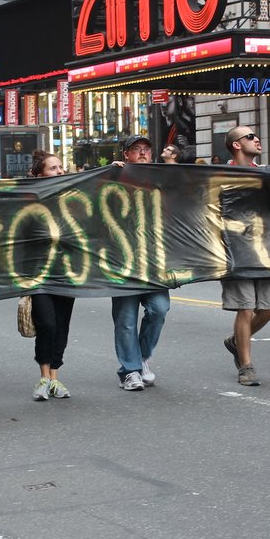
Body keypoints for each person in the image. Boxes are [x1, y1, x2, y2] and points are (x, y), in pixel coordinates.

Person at [220, 125, 270, 386]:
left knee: (269, 310)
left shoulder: (266, 173)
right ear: (236, 145)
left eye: (256, 135)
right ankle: (246, 366)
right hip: (237, 249)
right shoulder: (220, 175)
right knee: (245, 307)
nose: (257, 139)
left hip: (265, 250)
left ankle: (236, 341)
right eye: (250, 137)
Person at [110, 135, 169, 390]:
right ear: (126, 154)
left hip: (153, 261)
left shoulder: (161, 178)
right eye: (136, 149)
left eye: (146, 149)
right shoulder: (113, 176)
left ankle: (141, 358)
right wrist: (112, 175)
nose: (143, 153)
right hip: (121, 260)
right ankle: (130, 371)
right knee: (125, 318)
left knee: (159, 309)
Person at [27, 150, 75, 400]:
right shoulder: (27, 199)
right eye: (52, 168)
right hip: (39, 274)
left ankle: (55, 377)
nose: (59, 172)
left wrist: (114, 168)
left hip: (66, 272)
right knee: (47, 323)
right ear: (39, 174)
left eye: (60, 167)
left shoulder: (71, 196)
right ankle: (43, 378)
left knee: (62, 325)